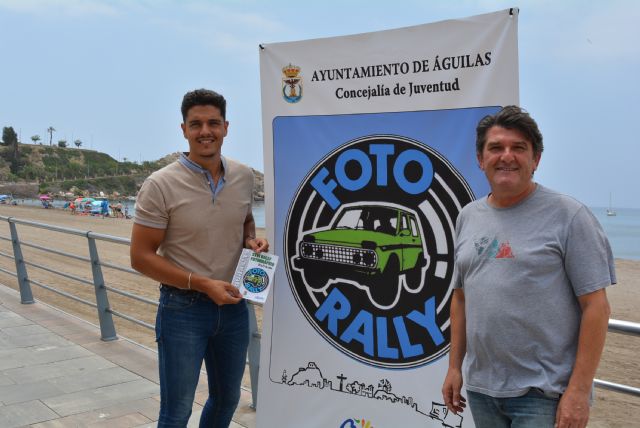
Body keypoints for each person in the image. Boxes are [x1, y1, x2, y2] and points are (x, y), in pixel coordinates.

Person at [441, 106, 615, 428]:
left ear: (535, 160)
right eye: (496, 147)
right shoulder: (467, 217)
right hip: (482, 390)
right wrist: (454, 368)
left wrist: (579, 390)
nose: (507, 156)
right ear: (480, 159)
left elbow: (596, 307)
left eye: (519, 148)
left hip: (544, 394)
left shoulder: (569, 216)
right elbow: (461, 298)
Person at [130, 88, 268, 427]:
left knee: (227, 400)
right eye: (196, 124)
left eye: (213, 123)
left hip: (235, 306)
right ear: (184, 130)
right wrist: (203, 284)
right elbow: (140, 257)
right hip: (183, 309)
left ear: (226, 127)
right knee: (177, 411)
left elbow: (245, 220)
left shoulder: (244, 176)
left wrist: (251, 240)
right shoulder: (160, 184)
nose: (205, 131)